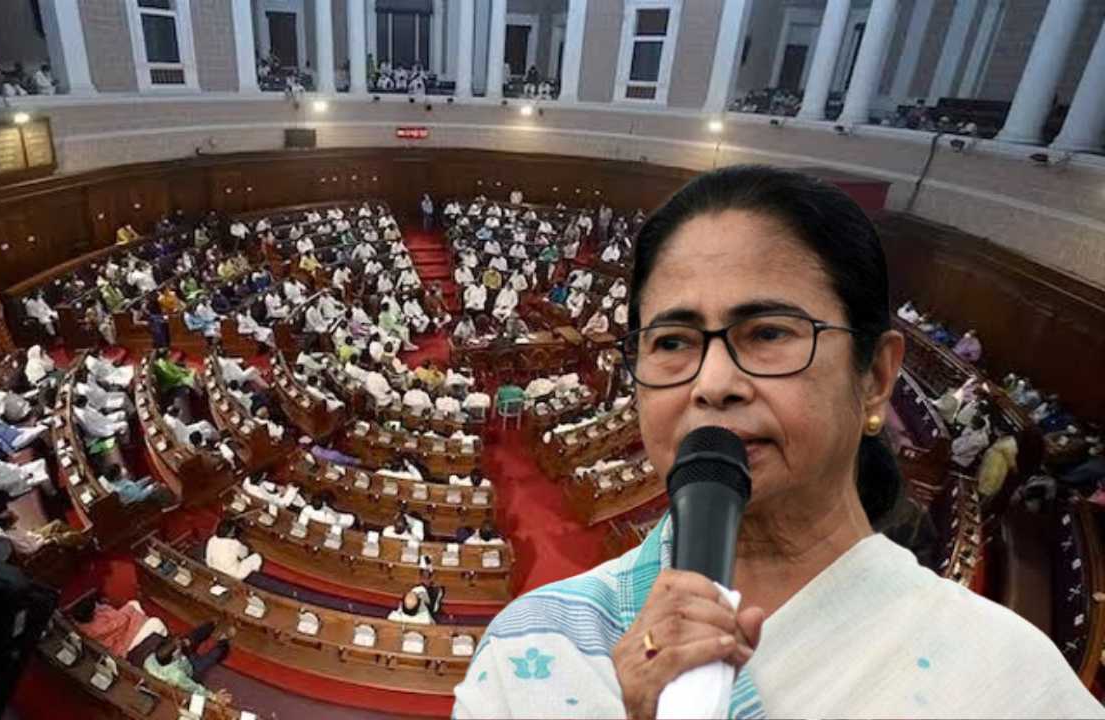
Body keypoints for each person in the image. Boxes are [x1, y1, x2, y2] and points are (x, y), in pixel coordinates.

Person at [453, 165, 1103, 718]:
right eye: (672, 342)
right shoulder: (529, 648)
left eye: (767, 334)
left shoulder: (1010, 684)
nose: (712, 384)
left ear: (876, 378)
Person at [143, 623, 234, 703]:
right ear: (174, 655)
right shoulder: (177, 676)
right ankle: (224, 641)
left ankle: (212, 624)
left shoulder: (150, 660)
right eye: (178, 647)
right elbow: (194, 688)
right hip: (191, 670)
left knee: (191, 638)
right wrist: (214, 697)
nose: (180, 644)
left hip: (182, 660)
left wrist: (183, 644)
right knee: (212, 657)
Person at [69, 593, 169, 657]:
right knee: (156, 623)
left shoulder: (79, 622)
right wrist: (129, 610)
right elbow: (121, 620)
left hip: (120, 629)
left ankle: (142, 622)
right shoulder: (96, 629)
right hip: (124, 643)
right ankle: (160, 642)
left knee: (133, 603)